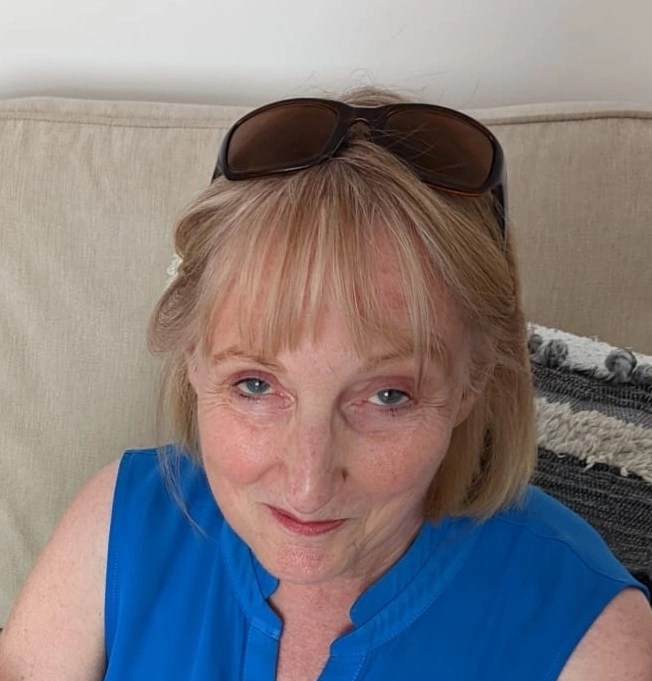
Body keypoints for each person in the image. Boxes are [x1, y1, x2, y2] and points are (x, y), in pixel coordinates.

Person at [0, 88, 650, 681]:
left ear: (472, 380)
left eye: (388, 395)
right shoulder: (119, 522)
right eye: (256, 385)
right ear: (193, 358)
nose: (308, 485)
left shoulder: (595, 637)